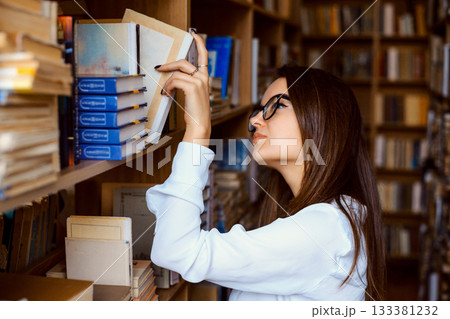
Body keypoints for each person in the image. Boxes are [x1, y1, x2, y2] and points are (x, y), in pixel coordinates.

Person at [147, 30, 386, 301]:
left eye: (276, 106)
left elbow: (176, 251)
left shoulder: (324, 231)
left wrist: (198, 129)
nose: (255, 121)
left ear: (322, 121)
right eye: (259, 109)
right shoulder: (328, 219)